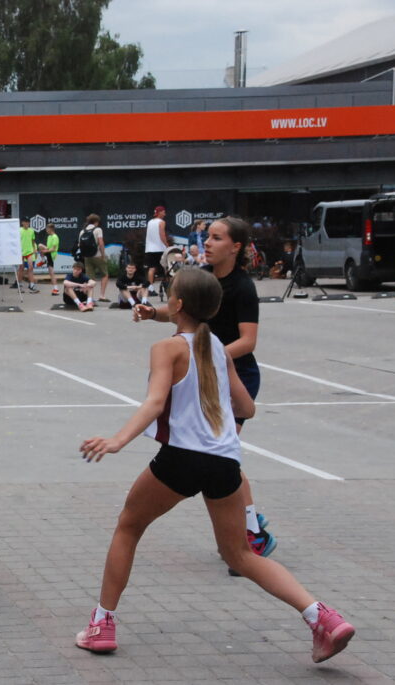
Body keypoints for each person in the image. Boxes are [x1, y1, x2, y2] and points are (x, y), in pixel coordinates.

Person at [76, 268, 355, 664]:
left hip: (182, 458)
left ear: (177, 305)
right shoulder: (219, 349)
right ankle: (321, 617)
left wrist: (118, 440)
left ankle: (102, 624)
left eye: (169, 294)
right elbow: (247, 408)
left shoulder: (167, 348)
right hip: (226, 462)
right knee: (240, 554)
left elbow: (155, 402)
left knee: (129, 526)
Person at [134, 217, 274, 570]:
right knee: (220, 455)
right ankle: (248, 523)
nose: (207, 243)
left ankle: (252, 531)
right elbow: (183, 311)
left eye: (216, 238)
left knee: (222, 452)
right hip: (207, 370)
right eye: (207, 236)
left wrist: (209, 357)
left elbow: (248, 341)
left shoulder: (242, 288)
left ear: (236, 247)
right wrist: (152, 313)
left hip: (235, 375)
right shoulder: (204, 277)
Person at [80, 214, 110, 301]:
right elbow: (101, 243)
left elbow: (80, 244)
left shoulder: (82, 231)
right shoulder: (98, 229)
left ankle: (90, 298)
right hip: (98, 256)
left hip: (87, 256)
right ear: (96, 222)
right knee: (105, 275)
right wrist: (103, 255)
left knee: (90, 278)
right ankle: (102, 295)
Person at [144, 206, 170, 297]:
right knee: (165, 268)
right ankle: (167, 286)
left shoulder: (150, 222)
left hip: (149, 249)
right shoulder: (161, 222)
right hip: (160, 248)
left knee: (151, 268)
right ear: (159, 212)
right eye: (164, 212)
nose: (165, 214)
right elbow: (162, 235)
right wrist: (167, 245)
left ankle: (150, 288)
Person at [16, 218, 38, 293]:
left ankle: (32, 285)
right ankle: (19, 285)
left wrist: (34, 249)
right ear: (22, 223)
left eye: (28, 222)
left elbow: (33, 241)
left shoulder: (31, 231)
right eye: (25, 222)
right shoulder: (19, 230)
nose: (27, 223)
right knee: (21, 269)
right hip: (21, 253)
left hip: (29, 252)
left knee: (30, 267)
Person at [37, 223, 60, 294]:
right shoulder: (49, 236)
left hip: (51, 255)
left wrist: (44, 251)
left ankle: (56, 289)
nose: (46, 230)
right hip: (48, 252)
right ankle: (43, 260)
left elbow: (53, 249)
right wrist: (43, 250)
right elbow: (48, 247)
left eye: (47, 229)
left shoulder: (55, 237)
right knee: (40, 245)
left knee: (51, 272)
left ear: (51, 229)